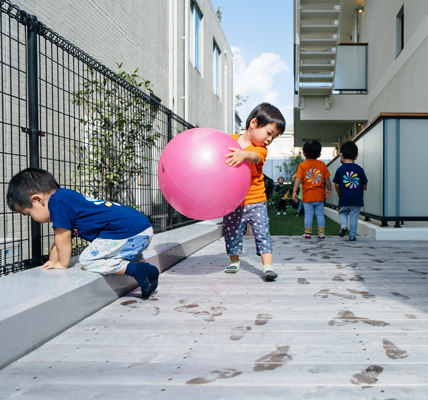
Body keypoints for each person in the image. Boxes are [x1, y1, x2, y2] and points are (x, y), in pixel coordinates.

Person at [6, 168, 159, 297]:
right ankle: (148, 270)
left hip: (127, 231)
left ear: (37, 200)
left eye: (28, 213)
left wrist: (62, 264)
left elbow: (63, 238)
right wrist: (53, 262)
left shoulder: (56, 203)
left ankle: (137, 270)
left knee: (87, 260)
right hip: (141, 228)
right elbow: (59, 240)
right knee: (114, 253)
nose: (32, 218)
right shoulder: (66, 198)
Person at [223, 102, 285, 281]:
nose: (269, 140)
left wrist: (243, 155)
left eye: (274, 137)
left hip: (256, 200)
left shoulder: (260, 149)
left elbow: (255, 157)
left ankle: (267, 266)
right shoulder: (229, 140)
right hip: (233, 202)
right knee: (232, 232)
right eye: (269, 133)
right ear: (254, 123)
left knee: (262, 232)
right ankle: (234, 261)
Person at [292, 140, 331, 239]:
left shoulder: (302, 166)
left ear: (304, 153)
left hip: (307, 196)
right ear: (319, 154)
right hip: (319, 196)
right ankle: (321, 233)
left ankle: (307, 233)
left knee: (308, 215)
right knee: (320, 214)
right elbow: (327, 179)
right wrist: (329, 189)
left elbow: (298, 179)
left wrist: (294, 191)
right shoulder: (322, 165)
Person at [333, 141, 368, 241]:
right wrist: (364, 187)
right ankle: (352, 236)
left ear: (341, 155)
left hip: (344, 198)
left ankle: (344, 226)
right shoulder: (359, 169)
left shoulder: (340, 169)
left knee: (343, 213)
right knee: (354, 218)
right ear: (356, 156)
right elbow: (364, 182)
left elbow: (336, 184)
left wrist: (338, 192)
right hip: (356, 199)